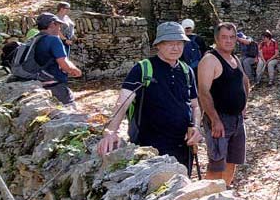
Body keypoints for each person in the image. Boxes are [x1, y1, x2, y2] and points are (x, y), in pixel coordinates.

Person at [97, 22, 203, 170]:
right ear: (158, 45)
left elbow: (195, 105)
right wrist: (110, 132)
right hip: (150, 149)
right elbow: (123, 103)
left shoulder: (187, 71)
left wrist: (196, 127)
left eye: (179, 43)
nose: (175, 47)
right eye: (169, 43)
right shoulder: (143, 69)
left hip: (183, 147)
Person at [197, 23, 250, 186]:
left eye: (232, 37)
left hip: (236, 119)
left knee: (232, 160)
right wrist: (214, 119)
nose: (228, 41)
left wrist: (243, 105)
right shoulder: (209, 60)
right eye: (224, 37)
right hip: (219, 120)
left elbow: (245, 81)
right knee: (217, 163)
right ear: (216, 39)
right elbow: (203, 92)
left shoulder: (234, 59)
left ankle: (225, 191)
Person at [9, 12, 82, 106]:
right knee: (70, 110)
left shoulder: (35, 39)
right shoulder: (54, 40)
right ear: (52, 24)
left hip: (38, 81)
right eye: (58, 24)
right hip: (54, 85)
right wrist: (76, 71)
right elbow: (64, 63)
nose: (60, 28)